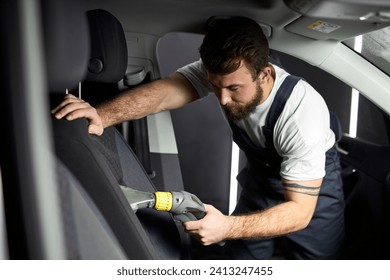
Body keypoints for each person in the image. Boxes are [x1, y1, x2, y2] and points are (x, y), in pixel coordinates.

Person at [52, 17, 345, 259]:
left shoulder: (302, 116)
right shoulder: (227, 73)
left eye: (233, 89)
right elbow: (166, 93)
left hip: (312, 196)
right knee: (239, 261)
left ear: (265, 74)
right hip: (263, 182)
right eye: (215, 86)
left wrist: (228, 226)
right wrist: (101, 116)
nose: (223, 99)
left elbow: (299, 213)